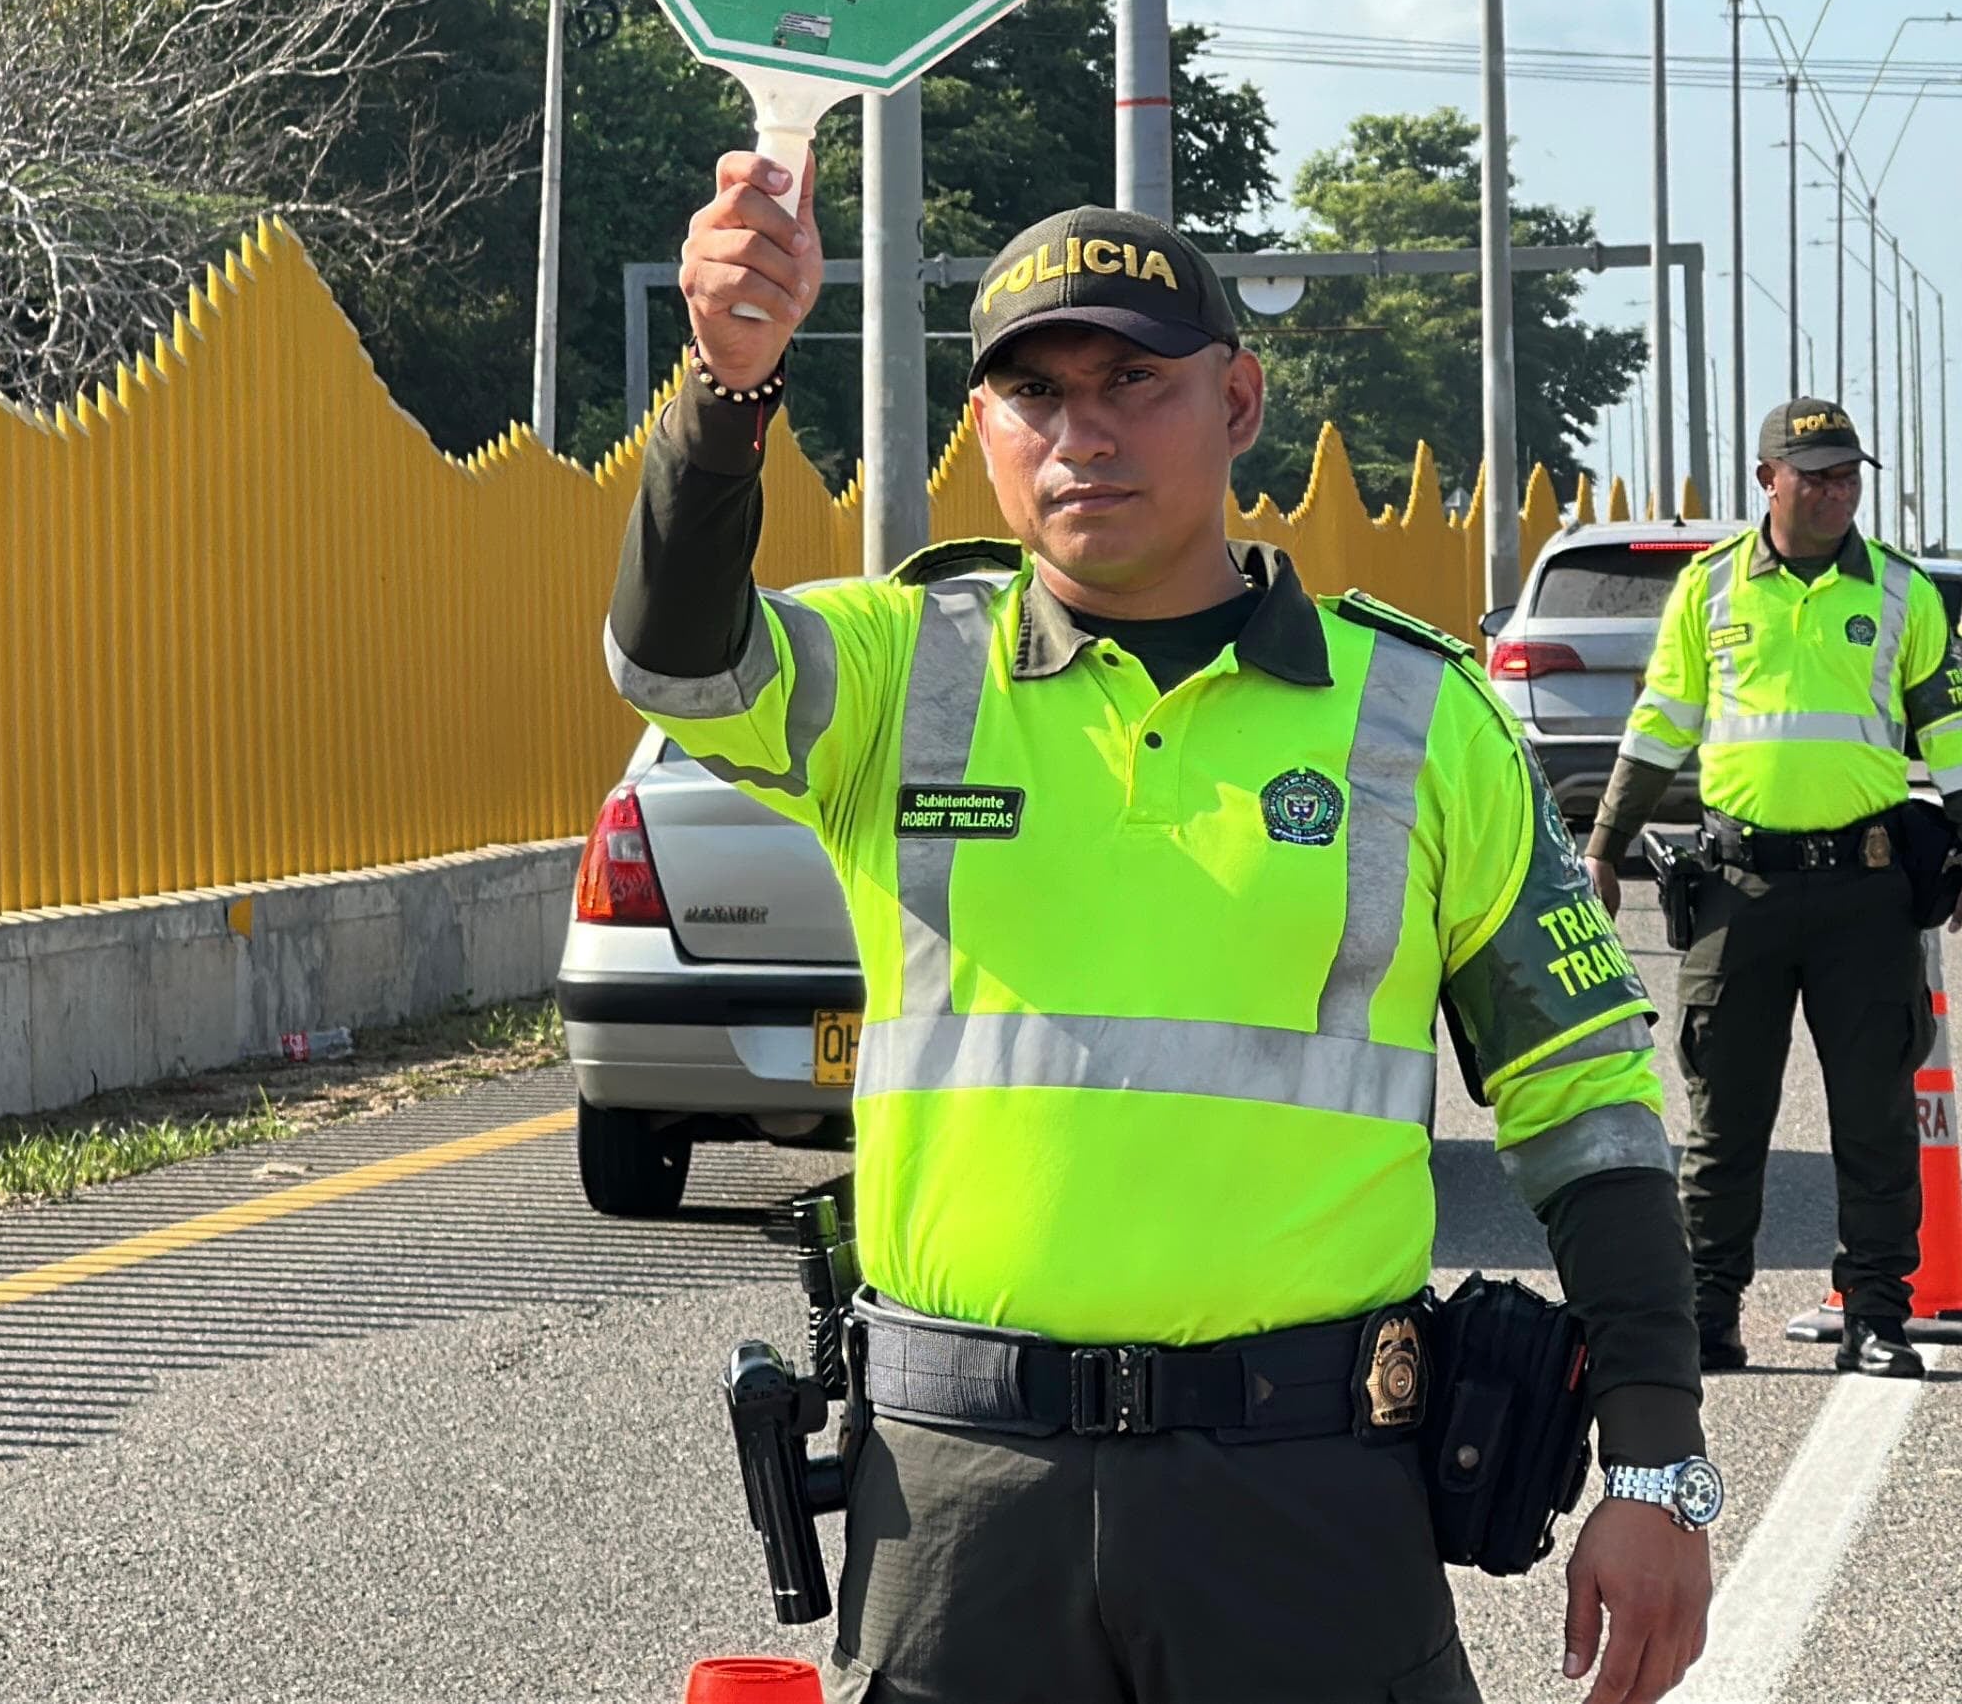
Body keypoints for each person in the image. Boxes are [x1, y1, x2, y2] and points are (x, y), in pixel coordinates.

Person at [608, 156, 1712, 1704]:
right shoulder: (898, 673)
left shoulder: (1416, 713)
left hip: (1309, 1494)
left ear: (1241, 400)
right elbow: (675, 664)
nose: (1086, 430)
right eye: (1036, 392)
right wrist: (727, 392)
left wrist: (1658, 1460)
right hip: (961, 1502)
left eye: (1136, 378)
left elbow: (1587, 1104)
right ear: (982, 427)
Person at [1578, 398, 1962, 1384]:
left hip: (1864, 894)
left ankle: (1875, 1312)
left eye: (1846, 473)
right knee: (1724, 1113)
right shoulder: (1711, 587)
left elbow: (1950, 729)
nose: (1832, 490)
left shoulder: (1901, 590)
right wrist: (1602, 843)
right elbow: (1659, 723)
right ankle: (1711, 1308)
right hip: (1738, 890)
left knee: (1875, 1115)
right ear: (1766, 477)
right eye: (1812, 472)